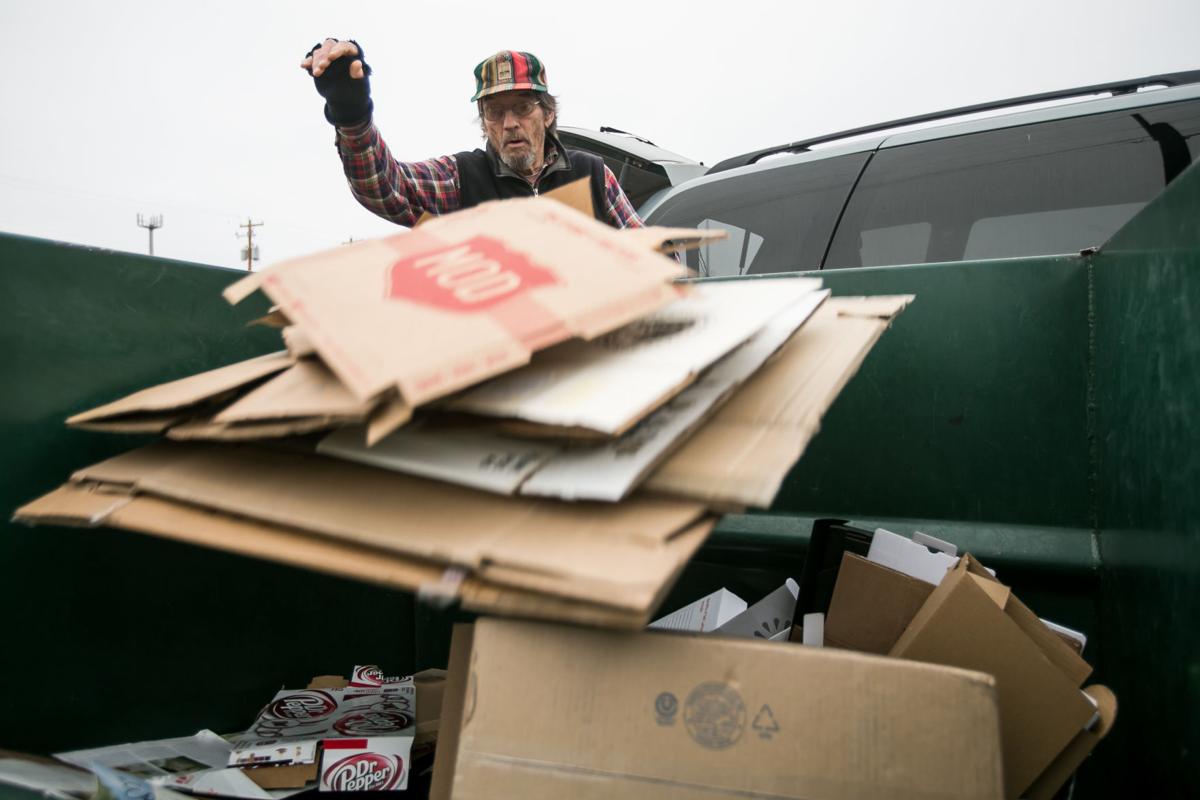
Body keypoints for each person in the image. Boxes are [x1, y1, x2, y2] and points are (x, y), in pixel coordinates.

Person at [301, 40, 643, 229]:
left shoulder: (593, 175)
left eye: (522, 107)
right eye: (495, 111)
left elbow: (659, 264)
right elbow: (385, 188)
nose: (509, 123)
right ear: (484, 121)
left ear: (548, 113)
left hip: (593, 353)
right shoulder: (462, 179)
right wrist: (353, 116)